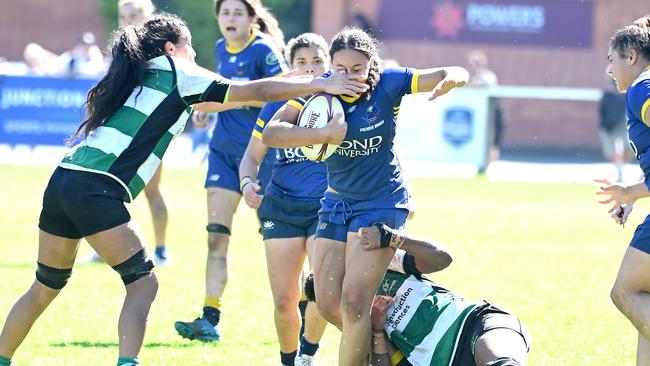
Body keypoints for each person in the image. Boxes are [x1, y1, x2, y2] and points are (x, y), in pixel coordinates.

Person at [0, 12, 368, 366]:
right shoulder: (180, 70)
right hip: (97, 189)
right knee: (143, 284)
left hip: (62, 179)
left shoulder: (140, 72)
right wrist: (320, 82)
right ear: (172, 49)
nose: (194, 55)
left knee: (44, 286)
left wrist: (294, 79)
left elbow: (243, 96)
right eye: (190, 47)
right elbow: (251, 89)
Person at [262, 27, 468, 366]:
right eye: (340, 69)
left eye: (356, 69)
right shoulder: (320, 93)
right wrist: (322, 133)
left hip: (382, 203)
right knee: (328, 303)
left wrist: (455, 79)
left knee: (355, 301)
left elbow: (449, 72)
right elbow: (272, 133)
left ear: (371, 64)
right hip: (336, 203)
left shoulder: (389, 84)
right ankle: (388, 355)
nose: (348, 77)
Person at [174, 0, 289, 342]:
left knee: (279, 243)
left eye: (238, 13)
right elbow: (225, 92)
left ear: (252, 19)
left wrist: (229, 100)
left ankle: (299, 311)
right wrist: (208, 111)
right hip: (223, 155)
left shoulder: (264, 51)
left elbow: (283, 94)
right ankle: (210, 318)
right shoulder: (221, 48)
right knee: (216, 236)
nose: (230, 19)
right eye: (225, 13)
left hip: (262, 158)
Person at [238, 33, 331, 366]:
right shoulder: (277, 104)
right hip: (281, 208)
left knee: (321, 289)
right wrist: (248, 183)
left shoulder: (342, 102)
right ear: (291, 68)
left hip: (327, 208)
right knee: (283, 299)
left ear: (329, 63)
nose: (310, 68)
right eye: (301, 63)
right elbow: (251, 157)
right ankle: (288, 360)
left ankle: (308, 355)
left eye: (317, 61)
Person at [357, 223, 530, 366]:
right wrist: (377, 329)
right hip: (438, 361)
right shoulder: (347, 305)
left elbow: (443, 259)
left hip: (471, 322)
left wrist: (392, 238)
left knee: (503, 363)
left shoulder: (384, 262)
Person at [82, 0, 170, 265]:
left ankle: (162, 251)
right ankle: (104, 248)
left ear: (148, 18)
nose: (128, 21)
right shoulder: (118, 51)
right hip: (120, 133)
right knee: (106, 189)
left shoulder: (157, 53)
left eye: (134, 15)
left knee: (152, 190)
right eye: (124, 16)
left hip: (150, 131)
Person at [596, 23, 650, 366]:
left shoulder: (640, 89)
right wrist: (633, 194)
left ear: (631, 56)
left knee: (626, 292)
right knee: (644, 295)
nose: (608, 69)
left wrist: (630, 191)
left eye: (611, 59)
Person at [467, 50, 503, 170]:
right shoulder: (471, 77)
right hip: (478, 114)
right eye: (472, 64)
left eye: (476, 63)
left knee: (492, 140)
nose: (474, 66)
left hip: (491, 113)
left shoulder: (488, 76)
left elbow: (486, 87)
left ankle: (486, 166)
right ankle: (481, 165)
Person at [598, 76, 629, 182]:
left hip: (622, 127)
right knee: (611, 154)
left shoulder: (626, 97)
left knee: (627, 149)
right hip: (608, 128)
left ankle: (620, 170)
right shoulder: (607, 96)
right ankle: (618, 170)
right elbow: (602, 112)